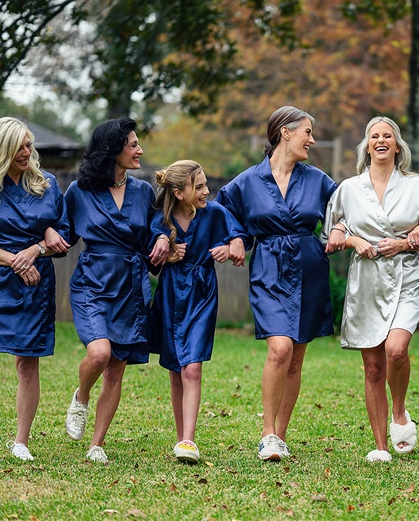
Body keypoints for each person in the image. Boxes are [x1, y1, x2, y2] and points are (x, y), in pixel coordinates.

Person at [216, 106, 339, 461]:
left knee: (295, 359)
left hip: (309, 267)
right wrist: (236, 238)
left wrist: (341, 228)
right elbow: (223, 213)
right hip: (269, 268)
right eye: (307, 132)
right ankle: (267, 433)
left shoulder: (318, 180)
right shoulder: (247, 182)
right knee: (280, 349)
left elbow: (346, 210)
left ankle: (280, 436)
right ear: (285, 132)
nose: (312, 140)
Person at [323, 116, 419, 462]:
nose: (380, 141)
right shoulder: (349, 188)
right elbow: (331, 234)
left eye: (387, 136)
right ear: (366, 146)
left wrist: (409, 241)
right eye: (374, 136)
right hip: (366, 280)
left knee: (395, 349)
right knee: (373, 366)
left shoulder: (416, 185)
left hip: (405, 275)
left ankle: (400, 411)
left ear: (397, 145)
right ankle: (379, 446)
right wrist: (351, 239)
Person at [0, 117, 70, 465]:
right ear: (2, 149)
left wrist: (38, 246)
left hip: (35, 283)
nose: (27, 152)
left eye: (29, 145)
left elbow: (64, 234)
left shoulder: (47, 184)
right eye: (20, 147)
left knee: (27, 362)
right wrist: (16, 261)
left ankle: (21, 441)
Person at [63, 118, 168, 463]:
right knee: (99, 354)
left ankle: (97, 444)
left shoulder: (143, 191)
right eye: (133, 144)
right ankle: (81, 396)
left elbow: (156, 228)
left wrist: (163, 238)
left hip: (130, 287)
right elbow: (63, 232)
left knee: (116, 367)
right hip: (93, 282)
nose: (140, 150)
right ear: (113, 150)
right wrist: (46, 237)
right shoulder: (79, 191)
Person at [150, 160, 241, 464]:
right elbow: (148, 258)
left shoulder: (214, 212)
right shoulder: (161, 220)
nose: (206, 191)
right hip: (171, 293)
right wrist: (165, 250)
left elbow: (238, 236)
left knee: (193, 367)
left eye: (205, 185)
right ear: (179, 193)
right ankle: (182, 439)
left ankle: (189, 439)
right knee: (176, 367)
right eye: (199, 187)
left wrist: (230, 247)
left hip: (202, 292)